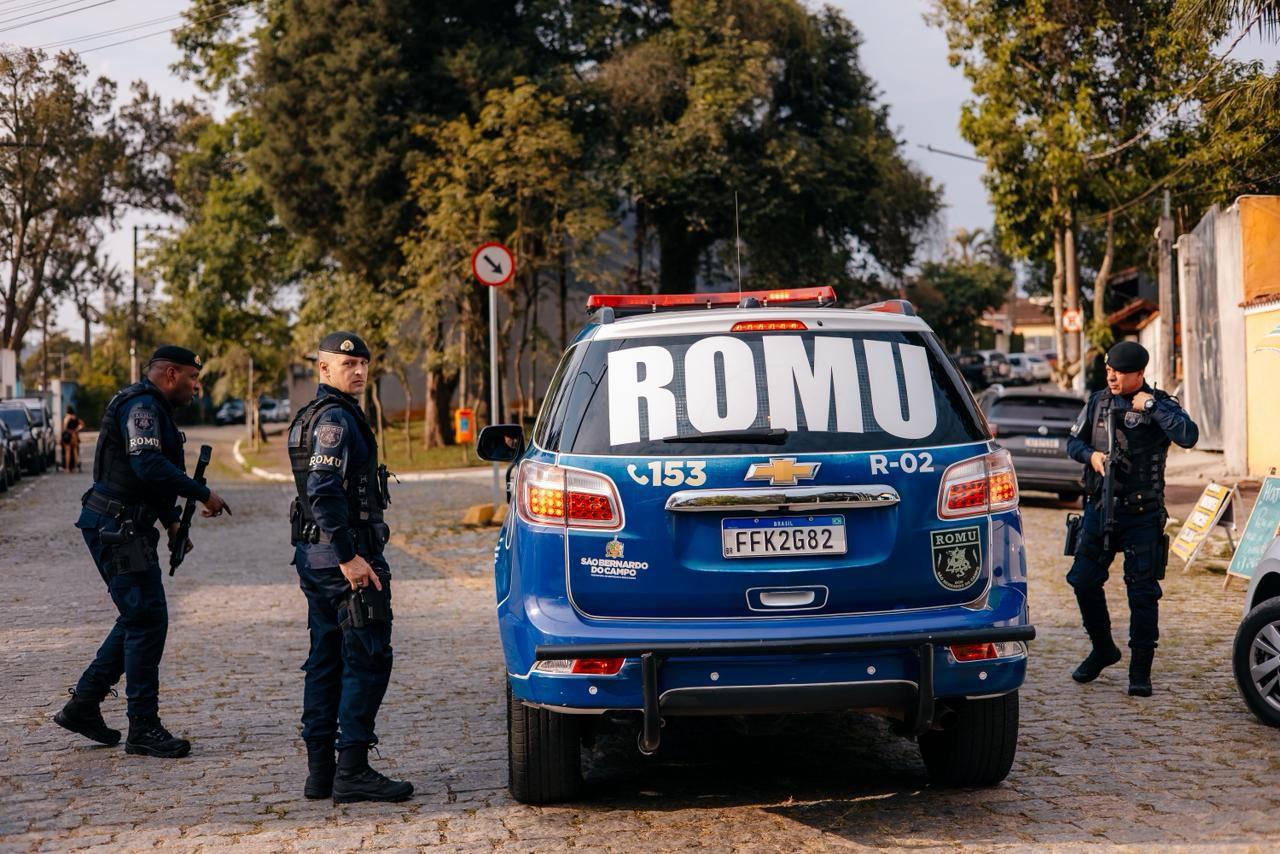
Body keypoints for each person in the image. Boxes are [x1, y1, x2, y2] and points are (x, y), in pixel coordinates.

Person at [53, 346, 232, 757]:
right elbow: (147, 465)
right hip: (115, 526)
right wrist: (202, 492)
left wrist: (171, 520)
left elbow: (149, 482)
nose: (195, 386)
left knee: (140, 617)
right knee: (148, 619)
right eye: (191, 377)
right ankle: (143, 727)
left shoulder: (154, 408)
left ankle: (83, 704)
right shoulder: (142, 409)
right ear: (170, 374)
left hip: (127, 524)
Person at [288, 331, 412, 804]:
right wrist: (349, 556)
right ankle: (353, 769)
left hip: (315, 558)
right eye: (347, 365)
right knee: (368, 658)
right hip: (343, 559)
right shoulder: (335, 419)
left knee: (325, 659)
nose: (358, 371)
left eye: (363, 363)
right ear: (323, 369)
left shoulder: (309, 416)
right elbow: (322, 488)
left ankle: (320, 774)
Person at [1065, 341, 1199, 697]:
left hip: (1142, 514)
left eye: (1119, 371)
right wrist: (1091, 456)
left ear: (1139, 374)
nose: (1111, 375)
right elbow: (1072, 444)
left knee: (1142, 593)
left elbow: (1188, 436)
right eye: (1108, 368)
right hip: (1100, 508)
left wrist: (1152, 406)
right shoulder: (1097, 401)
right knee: (1082, 580)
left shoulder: (1159, 404)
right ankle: (1103, 648)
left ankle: (1140, 671)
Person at [61, 406, 83, 472]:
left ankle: (67, 468)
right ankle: (76, 467)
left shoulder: (67, 417)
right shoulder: (75, 417)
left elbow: (64, 427)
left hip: (68, 435)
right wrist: (76, 430)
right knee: (75, 451)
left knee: (67, 452)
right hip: (74, 435)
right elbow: (81, 425)